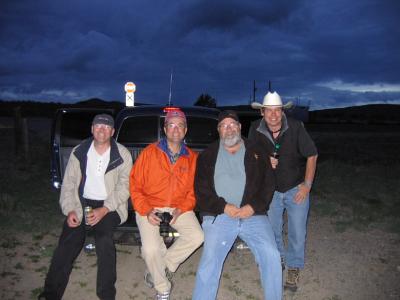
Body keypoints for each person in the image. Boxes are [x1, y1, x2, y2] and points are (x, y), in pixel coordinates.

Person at [38, 114, 133, 300]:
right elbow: (69, 184)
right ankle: (50, 294)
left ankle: (106, 295)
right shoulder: (79, 151)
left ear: (113, 132)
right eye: (98, 125)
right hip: (82, 203)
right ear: (92, 128)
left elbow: (125, 187)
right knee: (68, 239)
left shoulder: (122, 154)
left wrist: (104, 209)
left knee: (104, 239)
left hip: (110, 205)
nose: (102, 129)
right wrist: (70, 209)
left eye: (106, 127)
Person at [192, 110, 282, 300]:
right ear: (219, 130)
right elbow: (201, 190)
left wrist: (253, 207)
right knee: (209, 261)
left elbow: (268, 184)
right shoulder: (207, 155)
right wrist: (224, 207)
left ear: (240, 128)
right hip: (220, 215)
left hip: (253, 215)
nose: (229, 129)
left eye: (232, 124)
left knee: (272, 255)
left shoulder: (257, 151)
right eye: (224, 125)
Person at [130, 108, 204, 300]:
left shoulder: (192, 158)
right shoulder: (149, 153)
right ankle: (162, 288)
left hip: (178, 207)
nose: (176, 129)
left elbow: (194, 191)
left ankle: (161, 267)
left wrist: (183, 208)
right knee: (150, 249)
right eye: (172, 125)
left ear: (185, 130)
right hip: (150, 207)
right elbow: (135, 185)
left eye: (180, 126)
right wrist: (146, 211)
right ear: (165, 128)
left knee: (197, 236)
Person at [249, 91, 318, 291]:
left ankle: (294, 267)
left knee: (297, 232)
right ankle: (277, 261)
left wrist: (307, 185)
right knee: (272, 231)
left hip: (295, 188)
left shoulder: (296, 127)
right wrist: (262, 159)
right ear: (262, 112)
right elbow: (249, 154)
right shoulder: (255, 128)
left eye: (277, 110)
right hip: (270, 190)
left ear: (282, 111)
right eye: (268, 111)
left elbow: (312, 154)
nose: (273, 115)